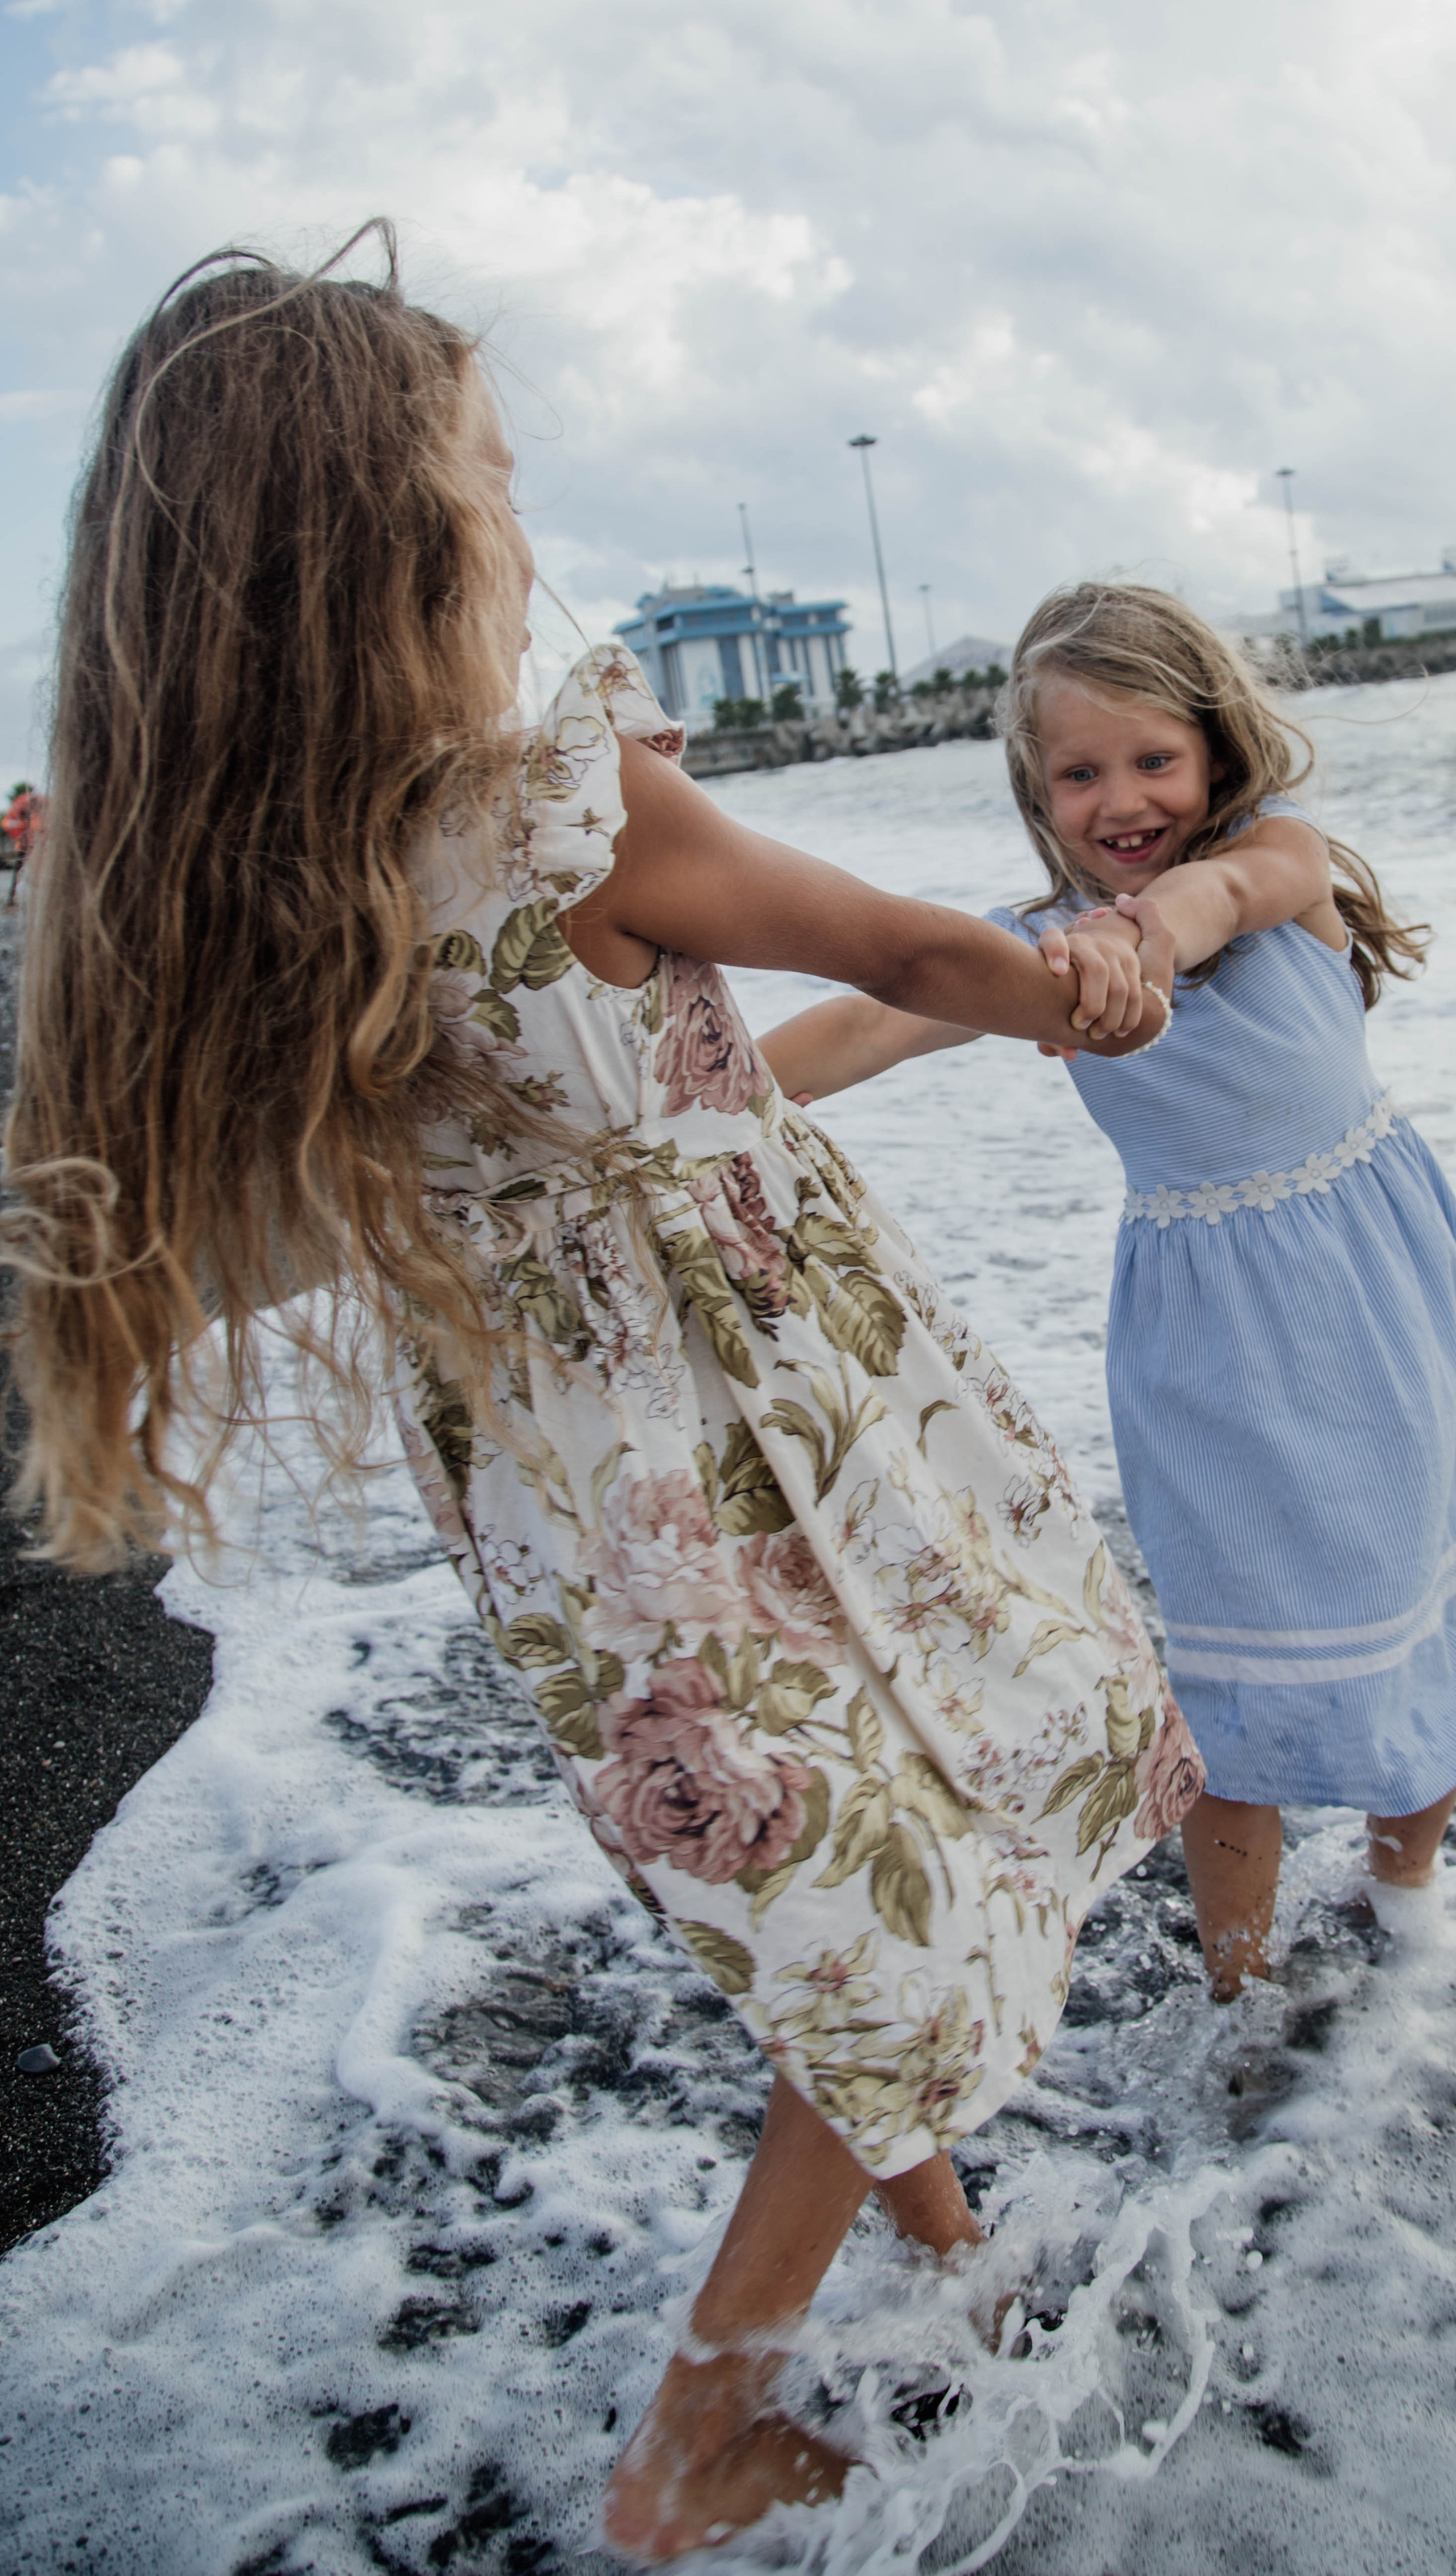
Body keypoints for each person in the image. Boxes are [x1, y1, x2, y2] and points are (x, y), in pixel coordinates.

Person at [2, 248, 1202, 2562]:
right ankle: (693, 2444)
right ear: (402, 543)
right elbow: (913, 953)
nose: (522, 521)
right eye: (495, 476)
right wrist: (1094, 978)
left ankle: (946, 2246)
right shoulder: (571, 810)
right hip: (783, 1433)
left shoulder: (276, 878)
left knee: (841, 1877)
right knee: (943, 1840)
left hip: (570, 1492)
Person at [760, 580, 1456, 2000]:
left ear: (1214, 750)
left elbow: (1218, 893)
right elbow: (864, 1021)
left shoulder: (1285, 861)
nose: (1120, 797)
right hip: (1209, 1353)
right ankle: (1240, 2001)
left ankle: (1407, 1900)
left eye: (1152, 759)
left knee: (1427, 1610)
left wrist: (1141, 939)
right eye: (1079, 772)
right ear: (1037, 788)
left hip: (1389, 1310)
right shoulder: (1037, 959)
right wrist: (659, 1101)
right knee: (1226, 1695)